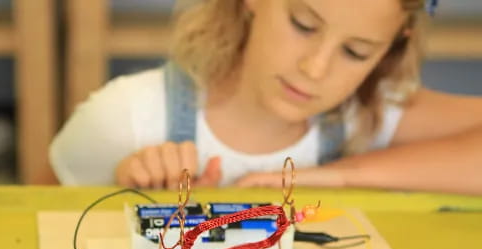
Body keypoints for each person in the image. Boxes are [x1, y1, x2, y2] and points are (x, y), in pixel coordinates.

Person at [50, 0, 482, 195]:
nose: (315, 69)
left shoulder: (363, 118)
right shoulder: (124, 119)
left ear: (391, 47)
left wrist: (337, 176)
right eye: (303, 25)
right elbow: (28, 233)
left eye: (356, 52)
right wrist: (128, 198)